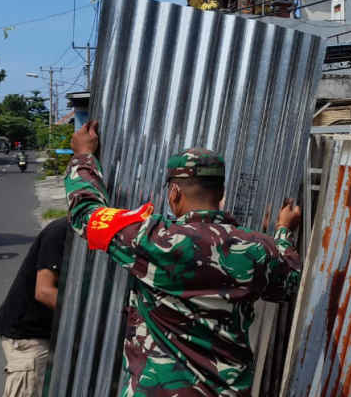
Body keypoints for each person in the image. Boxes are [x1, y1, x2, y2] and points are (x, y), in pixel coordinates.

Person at [65, 121, 302, 396]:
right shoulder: (257, 248)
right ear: (221, 192)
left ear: (174, 193)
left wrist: (83, 156)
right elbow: (289, 283)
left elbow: (86, 214)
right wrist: (283, 230)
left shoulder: (152, 238)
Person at [0, 218, 69, 397]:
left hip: (51, 332)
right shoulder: (60, 232)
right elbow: (44, 291)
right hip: (29, 336)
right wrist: (85, 317)